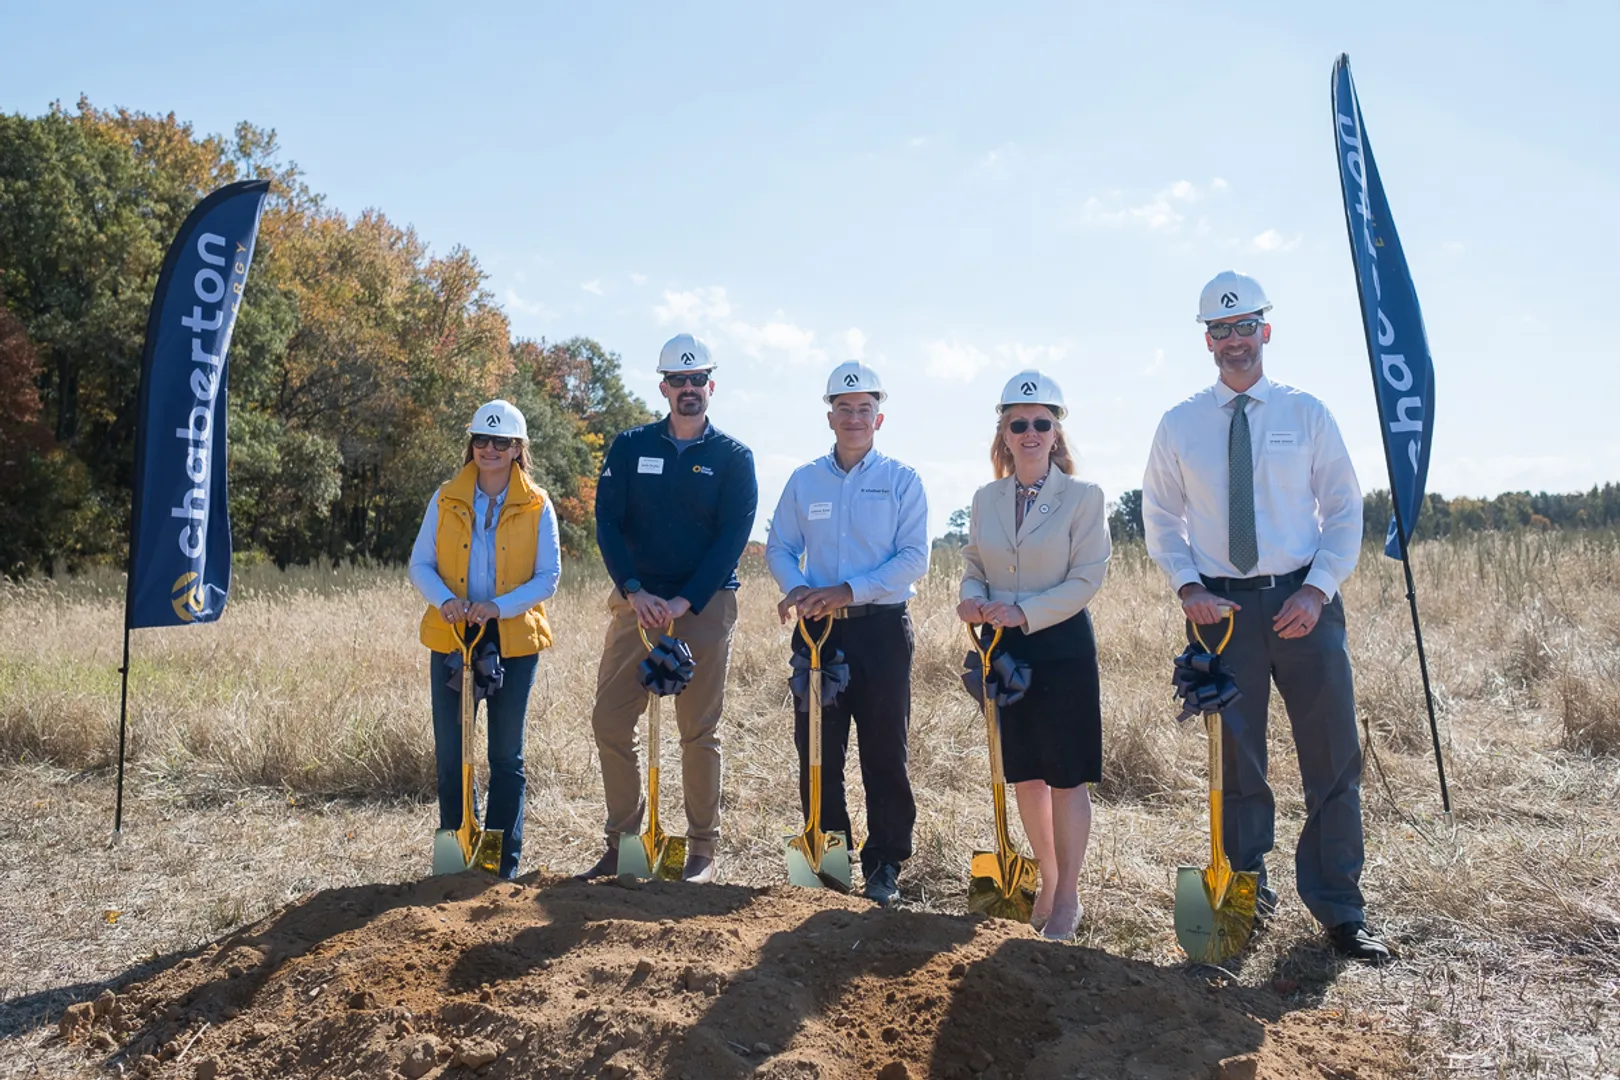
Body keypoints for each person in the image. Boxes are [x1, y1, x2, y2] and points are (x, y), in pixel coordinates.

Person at [1141, 270, 1390, 963]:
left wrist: (1316, 591)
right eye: (1220, 330)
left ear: (1265, 332)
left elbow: (1344, 508)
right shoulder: (1179, 424)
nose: (1234, 341)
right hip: (1218, 612)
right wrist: (1188, 587)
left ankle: (1341, 911)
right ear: (1207, 341)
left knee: (1332, 759)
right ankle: (1244, 900)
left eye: (1245, 326)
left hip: (1304, 604)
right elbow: (1159, 516)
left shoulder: (1306, 413)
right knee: (1237, 765)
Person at [577, 333, 758, 884]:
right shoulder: (631, 447)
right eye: (677, 381)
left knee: (697, 729)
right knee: (610, 720)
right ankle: (623, 845)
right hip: (638, 603)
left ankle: (701, 850)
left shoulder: (733, 458)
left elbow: (734, 536)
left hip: (702, 605)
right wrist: (634, 590)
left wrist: (685, 599)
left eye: (697, 379)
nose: (688, 389)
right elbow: (607, 520)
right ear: (663, 387)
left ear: (711, 385)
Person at [766, 361, 930, 906]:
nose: (854, 417)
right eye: (844, 408)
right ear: (829, 415)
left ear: (879, 418)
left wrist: (848, 590)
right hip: (817, 636)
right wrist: (799, 590)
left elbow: (914, 558)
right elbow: (780, 547)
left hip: (881, 632)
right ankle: (828, 861)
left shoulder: (902, 481)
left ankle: (884, 866)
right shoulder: (804, 480)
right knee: (817, 750)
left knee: (885, 751)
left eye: (865, 409)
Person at [957, 370, 1111, 941]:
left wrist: (1024, 611)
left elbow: (1088, 576)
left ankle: (1069, 894)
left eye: (1041, 423)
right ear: (1003, 431)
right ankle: (1045, 879)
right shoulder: (985, 498)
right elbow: (974, 563)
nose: (1029, 432)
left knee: (1066, 777)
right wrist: (971, 600)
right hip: (1003, 649)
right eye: (1018, 423)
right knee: (1026, 776)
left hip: (1062, 646)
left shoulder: (1083, 497)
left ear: (1056, 432)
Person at [408, 399, 562, 880]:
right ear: (471, 444)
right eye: (481, 440)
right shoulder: (445, 497)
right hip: (453, 633)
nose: (489, 449)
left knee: (504, 755)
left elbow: (548, 576)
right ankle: (458, 850)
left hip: (512, 638)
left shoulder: (538, 504)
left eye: (501, 442)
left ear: (518, 449)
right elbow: (420, 565)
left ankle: (500, 865)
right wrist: (445, 601)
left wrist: (498, 607)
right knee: (453, 750)